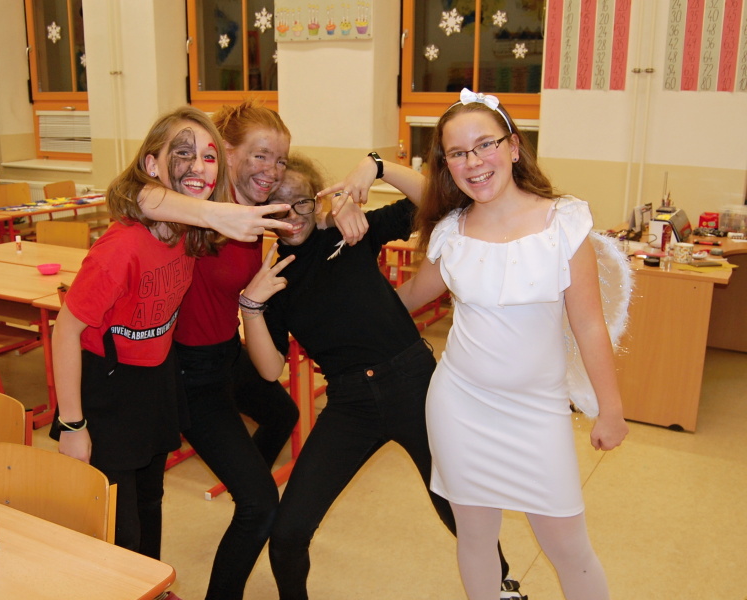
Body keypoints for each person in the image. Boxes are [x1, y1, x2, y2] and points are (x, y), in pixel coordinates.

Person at [240, 152, 522, 600]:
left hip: (415, 385)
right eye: (277, 207)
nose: (291, 216)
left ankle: (501, 587)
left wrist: (375, 167)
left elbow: (441, 200)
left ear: (317, 199)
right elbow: (271, 369)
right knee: (288, 533)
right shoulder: (273, 276)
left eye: (301, 202)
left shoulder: (347, 232)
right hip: (350, 404)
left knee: (458, 509)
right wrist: (251, 307)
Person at [395, 89, 629, 600]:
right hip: (460, 405)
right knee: (476, 536)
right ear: (446, 166)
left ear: (514, 147)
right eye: (457, 153)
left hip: (538, 410)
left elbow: (589, 325)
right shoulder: (451, 232)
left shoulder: (563, 223)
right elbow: (406, 298)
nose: (474, 162)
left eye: (486, 145)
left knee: (568, 547)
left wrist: (610, 409)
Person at [137, 100, 366, 599]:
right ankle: (246, 501)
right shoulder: (194, 203)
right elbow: (141, 195)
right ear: (226, 151)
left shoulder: (255, 211)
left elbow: (306, 216)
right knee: (258, 505)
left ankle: (243, 481)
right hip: (188, 371)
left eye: (279, 159)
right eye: (260, 155)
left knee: (282, 413)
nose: (272, 169)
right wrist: (210, 211)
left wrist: (341, 209)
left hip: (226, 353)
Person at [50, 106, 235, 563]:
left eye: (209, 156)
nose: (198, 166)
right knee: (120, 529)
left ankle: (151, 588)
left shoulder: (188, 233)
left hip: (154, 381)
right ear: (152, 165)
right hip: (106, 390)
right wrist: (72, 425)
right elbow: (65, 331)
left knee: (151, 502)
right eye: (183, 153)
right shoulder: (121, 248)